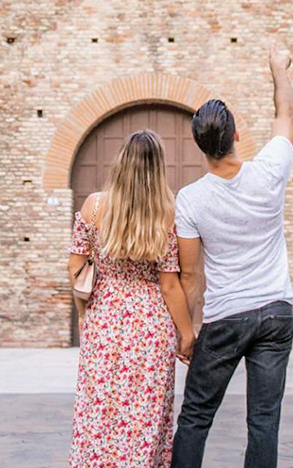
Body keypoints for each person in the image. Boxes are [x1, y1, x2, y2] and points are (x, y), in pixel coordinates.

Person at [172, 46, 293, 468]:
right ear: (237, 135)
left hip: (225, 318)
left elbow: (191, 276)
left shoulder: (190, 200)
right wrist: (278, 69)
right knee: (264, 420)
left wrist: (189, 331)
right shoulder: (270, 169)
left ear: (199, 146)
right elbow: (286, 113)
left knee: (195, 417)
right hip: (276, 312)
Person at [69, 129, 197, 468]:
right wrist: (187, 334)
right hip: (151, 328)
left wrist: (84, 313)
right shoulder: (166, 213)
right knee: (145, 417)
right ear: (158, 168)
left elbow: (76, 268)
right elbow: (170, 286)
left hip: (104, 321)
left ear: (121, 162)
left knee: (100, 413)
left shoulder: (94, 206)